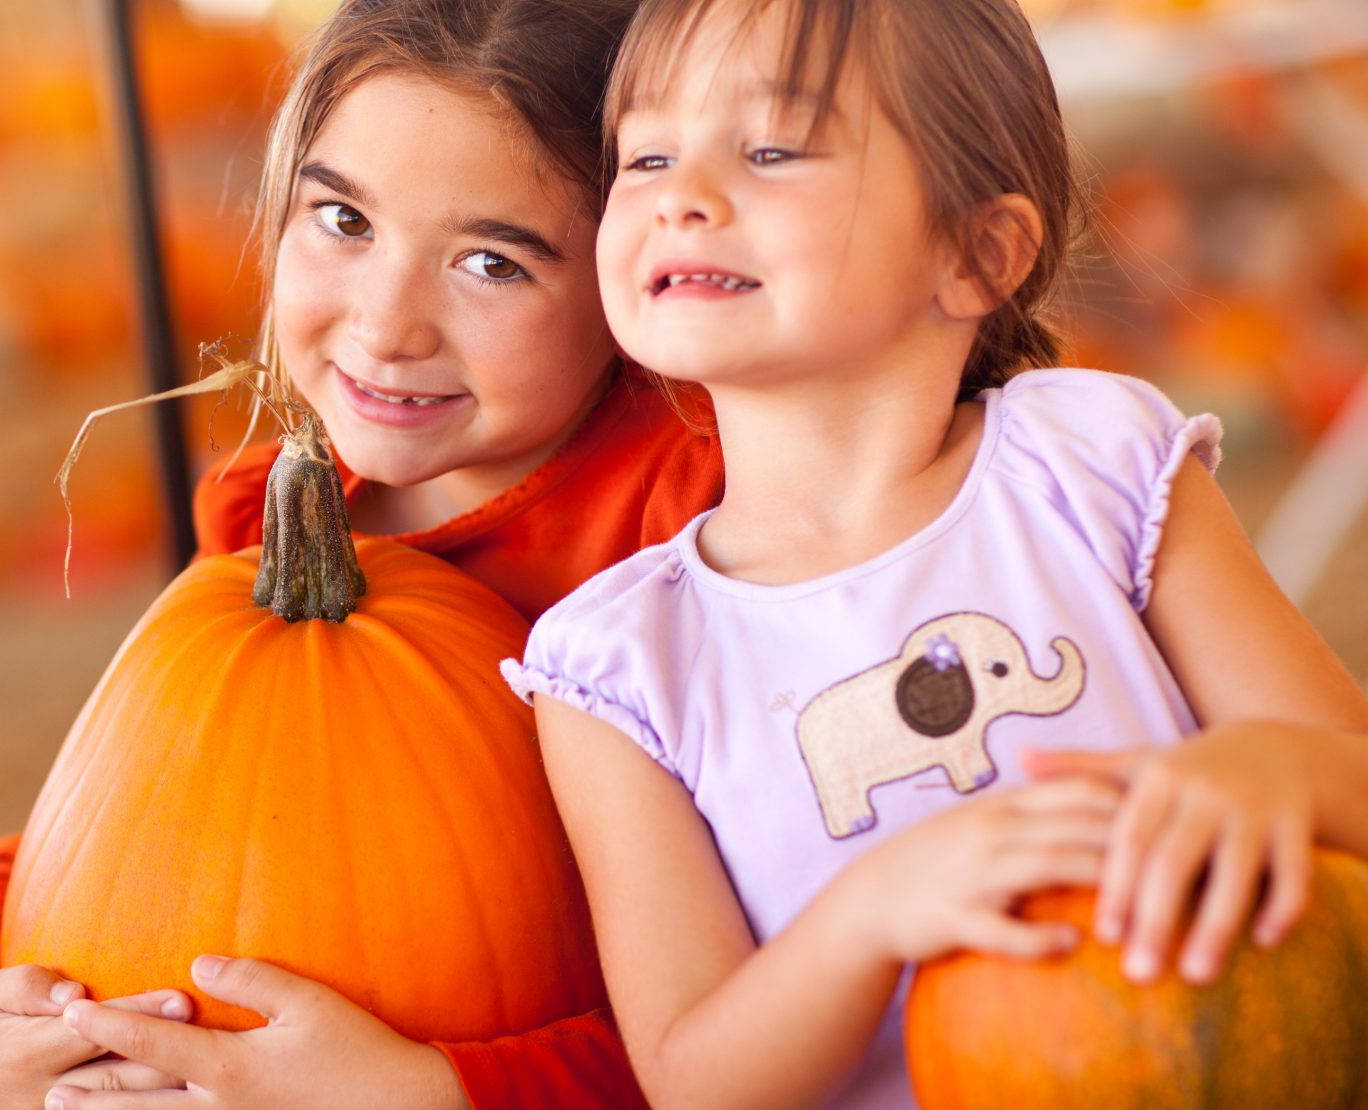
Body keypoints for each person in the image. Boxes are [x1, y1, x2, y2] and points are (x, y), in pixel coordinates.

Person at [510, 0, 1368, 1106]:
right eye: (646, 154)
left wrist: (1270, 770)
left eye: (770, 148)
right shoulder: (620, 664)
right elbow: (693, 1082)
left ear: (975, 253)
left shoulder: (1088, 464)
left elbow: (1347, 775)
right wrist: (873, 913)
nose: (681, 192)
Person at [0, 1, 727, 1107]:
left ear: (635, 267)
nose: (384, 326)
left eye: (489, 262)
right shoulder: (268, 517)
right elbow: (90, 825)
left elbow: (760, 1019)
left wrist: (433, 1092)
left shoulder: (689, 535)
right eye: (342, 220)